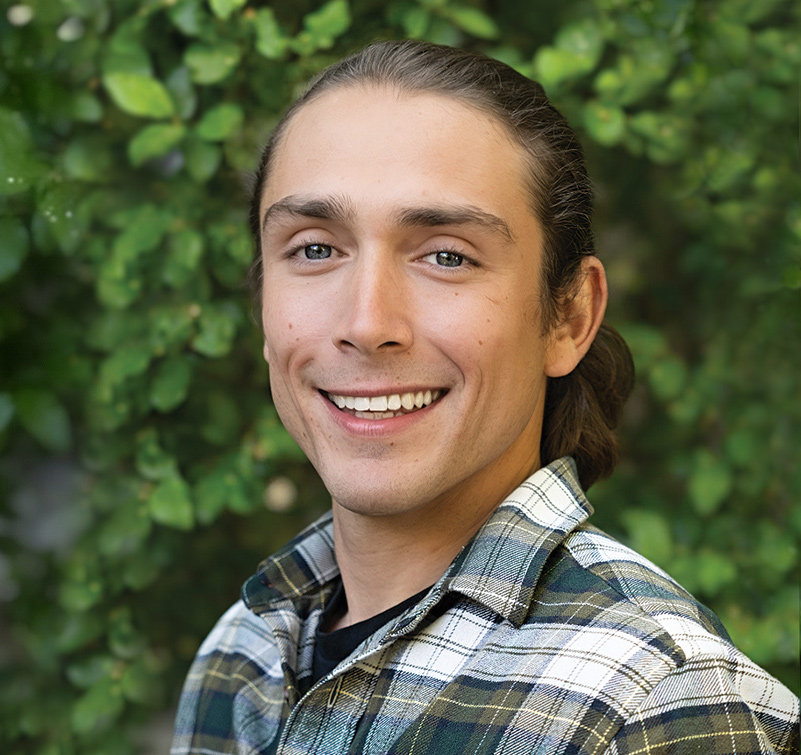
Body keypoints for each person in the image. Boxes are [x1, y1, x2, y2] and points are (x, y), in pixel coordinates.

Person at [171, 40, 799, 754]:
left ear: (568, 318)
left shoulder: (658, 706)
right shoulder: (240, 655)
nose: (366, 323)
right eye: (315, 249)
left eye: (446, 255)